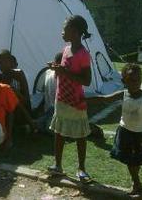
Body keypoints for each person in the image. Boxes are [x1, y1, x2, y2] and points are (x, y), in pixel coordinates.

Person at [85, 63, 142, 195]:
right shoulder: (123, 94)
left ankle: (136, 182)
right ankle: (137, 183)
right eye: (132, 80)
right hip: (125, 132)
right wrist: (85, 99)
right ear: (124, 81)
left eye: (138, 80)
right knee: (130, 159)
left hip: (140, 134)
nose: (136, 83)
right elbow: (103, 99)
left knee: (137, 160)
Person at [47, 15, 93, 183]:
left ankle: (81, 168)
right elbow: (65, 71)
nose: (62, 32)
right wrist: (56, 68)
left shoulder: (83, 54)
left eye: (64, 29)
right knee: (59, 132)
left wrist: (64, 72)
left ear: (74, 32)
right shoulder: (66, 50)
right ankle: (58, 165)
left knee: (80, 136)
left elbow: (86, 80)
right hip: (62, 99)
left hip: (76, 101)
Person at [0, 50, 37, 132]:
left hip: (21, 109)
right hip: (5, 110)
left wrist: (15, 92)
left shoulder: (19, 74)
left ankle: (29, 124)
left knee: (13, 99)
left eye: (3, 62)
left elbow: (26, 100)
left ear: (10, 62)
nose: (0, 65)